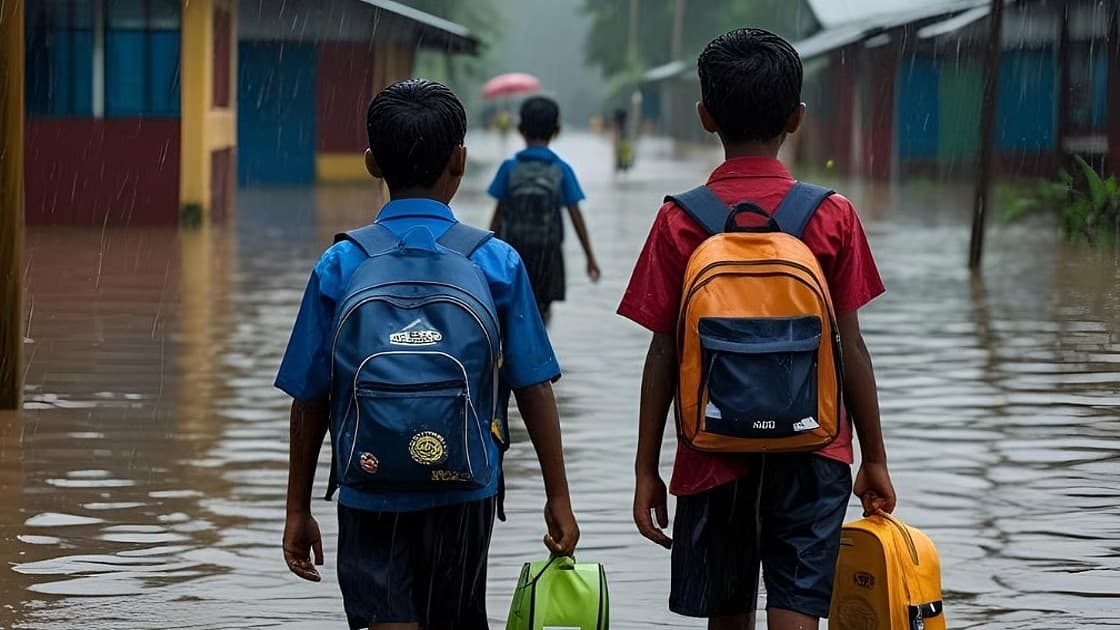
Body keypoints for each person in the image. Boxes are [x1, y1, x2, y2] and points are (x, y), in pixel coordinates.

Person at [616, 29, 898, 630]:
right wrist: (874, 457)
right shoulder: (832, 215)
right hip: (815, 448)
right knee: (798, 614)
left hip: (710, 453)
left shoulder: (678, 220)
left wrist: (646, 469)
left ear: (705, 116)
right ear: (796, 118)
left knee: (728, 615)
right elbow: (851, 347)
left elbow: (662, 353)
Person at [276, 79, 579, 630]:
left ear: (372, 163)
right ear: (459, 161)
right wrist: (558, 496)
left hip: (369, 488)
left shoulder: (340, 264)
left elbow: (309, 396)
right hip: (465, 488)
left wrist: (298, 507)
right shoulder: (497, 263)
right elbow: (534, 385)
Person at [488, 96, 600, 326]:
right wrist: (590, 258)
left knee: (512, 313)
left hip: (513, 254)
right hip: (549, 258)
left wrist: (485, 256)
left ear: (520, 130)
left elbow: (497, 217)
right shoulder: (561, 169)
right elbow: (576, 216)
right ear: (556, 131)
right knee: (541, 316)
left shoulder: (509, 168)